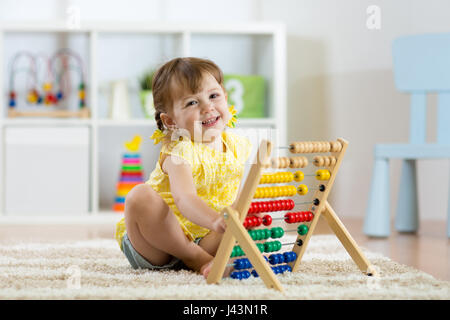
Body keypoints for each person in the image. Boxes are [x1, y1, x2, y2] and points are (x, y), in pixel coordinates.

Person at [115, 57, 252, 278]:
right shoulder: (179, 151)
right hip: (158, 244)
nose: (208, 107)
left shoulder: (238, 145)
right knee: (139, 197)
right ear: (171, 122)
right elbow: (185, 199)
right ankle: (194, 257)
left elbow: (236, 197)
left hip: (207, 238)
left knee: (248, 208)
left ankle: (215, 256)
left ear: (225, 98)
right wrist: (216, 220)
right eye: (192, 103)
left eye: (213, 96)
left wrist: (238, 218)